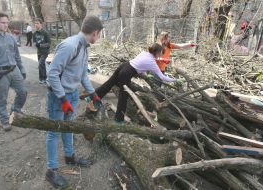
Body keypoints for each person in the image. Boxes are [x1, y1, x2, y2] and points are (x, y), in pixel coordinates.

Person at [45, 15, 103, 188]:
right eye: (99, 34)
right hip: (58, 96)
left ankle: (70, 156)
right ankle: (51, 170)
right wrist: (62, 99)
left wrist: (93, 94)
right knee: (54, 131)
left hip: (72, 94)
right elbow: (52, 74)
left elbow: (82, 74)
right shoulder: (69, 46)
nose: (98, 37)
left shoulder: (85, 47)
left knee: (68, 126)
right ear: (95, 32)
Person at [95, 43, 180, 124]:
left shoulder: (144, 53)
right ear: (157, 52)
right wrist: (175, 80)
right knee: (123, 96)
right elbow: (162, 77)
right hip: (126, 73)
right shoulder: (152, 62)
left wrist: (144, 74)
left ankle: (92, 97)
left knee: (109, 84)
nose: (161, 55)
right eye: (161, 53)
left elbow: (138, 64)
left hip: (123, 66)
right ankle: (118, 120)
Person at [0, 11, 27, 131]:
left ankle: (15, 112)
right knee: (1, 98)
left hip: (14, 69)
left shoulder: (10, 37)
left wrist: (21, 68)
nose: (6, 25)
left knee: (23, 92)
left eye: (7, 22)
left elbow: (16, 55)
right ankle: (4, 120)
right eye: (3, 23)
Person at [33, 18, 50, 84]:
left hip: (45, 52)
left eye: (37, 23)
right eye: (35, 23)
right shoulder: (35, 33)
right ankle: (43, 78)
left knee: (40, 64)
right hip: (39, 52)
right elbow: (34, 42)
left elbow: (48, 43)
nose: (36, 24)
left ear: (41, 24)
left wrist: (40, 45)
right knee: (42, 65)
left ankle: (43, 78)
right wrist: (36, 44)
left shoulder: (45, 33)